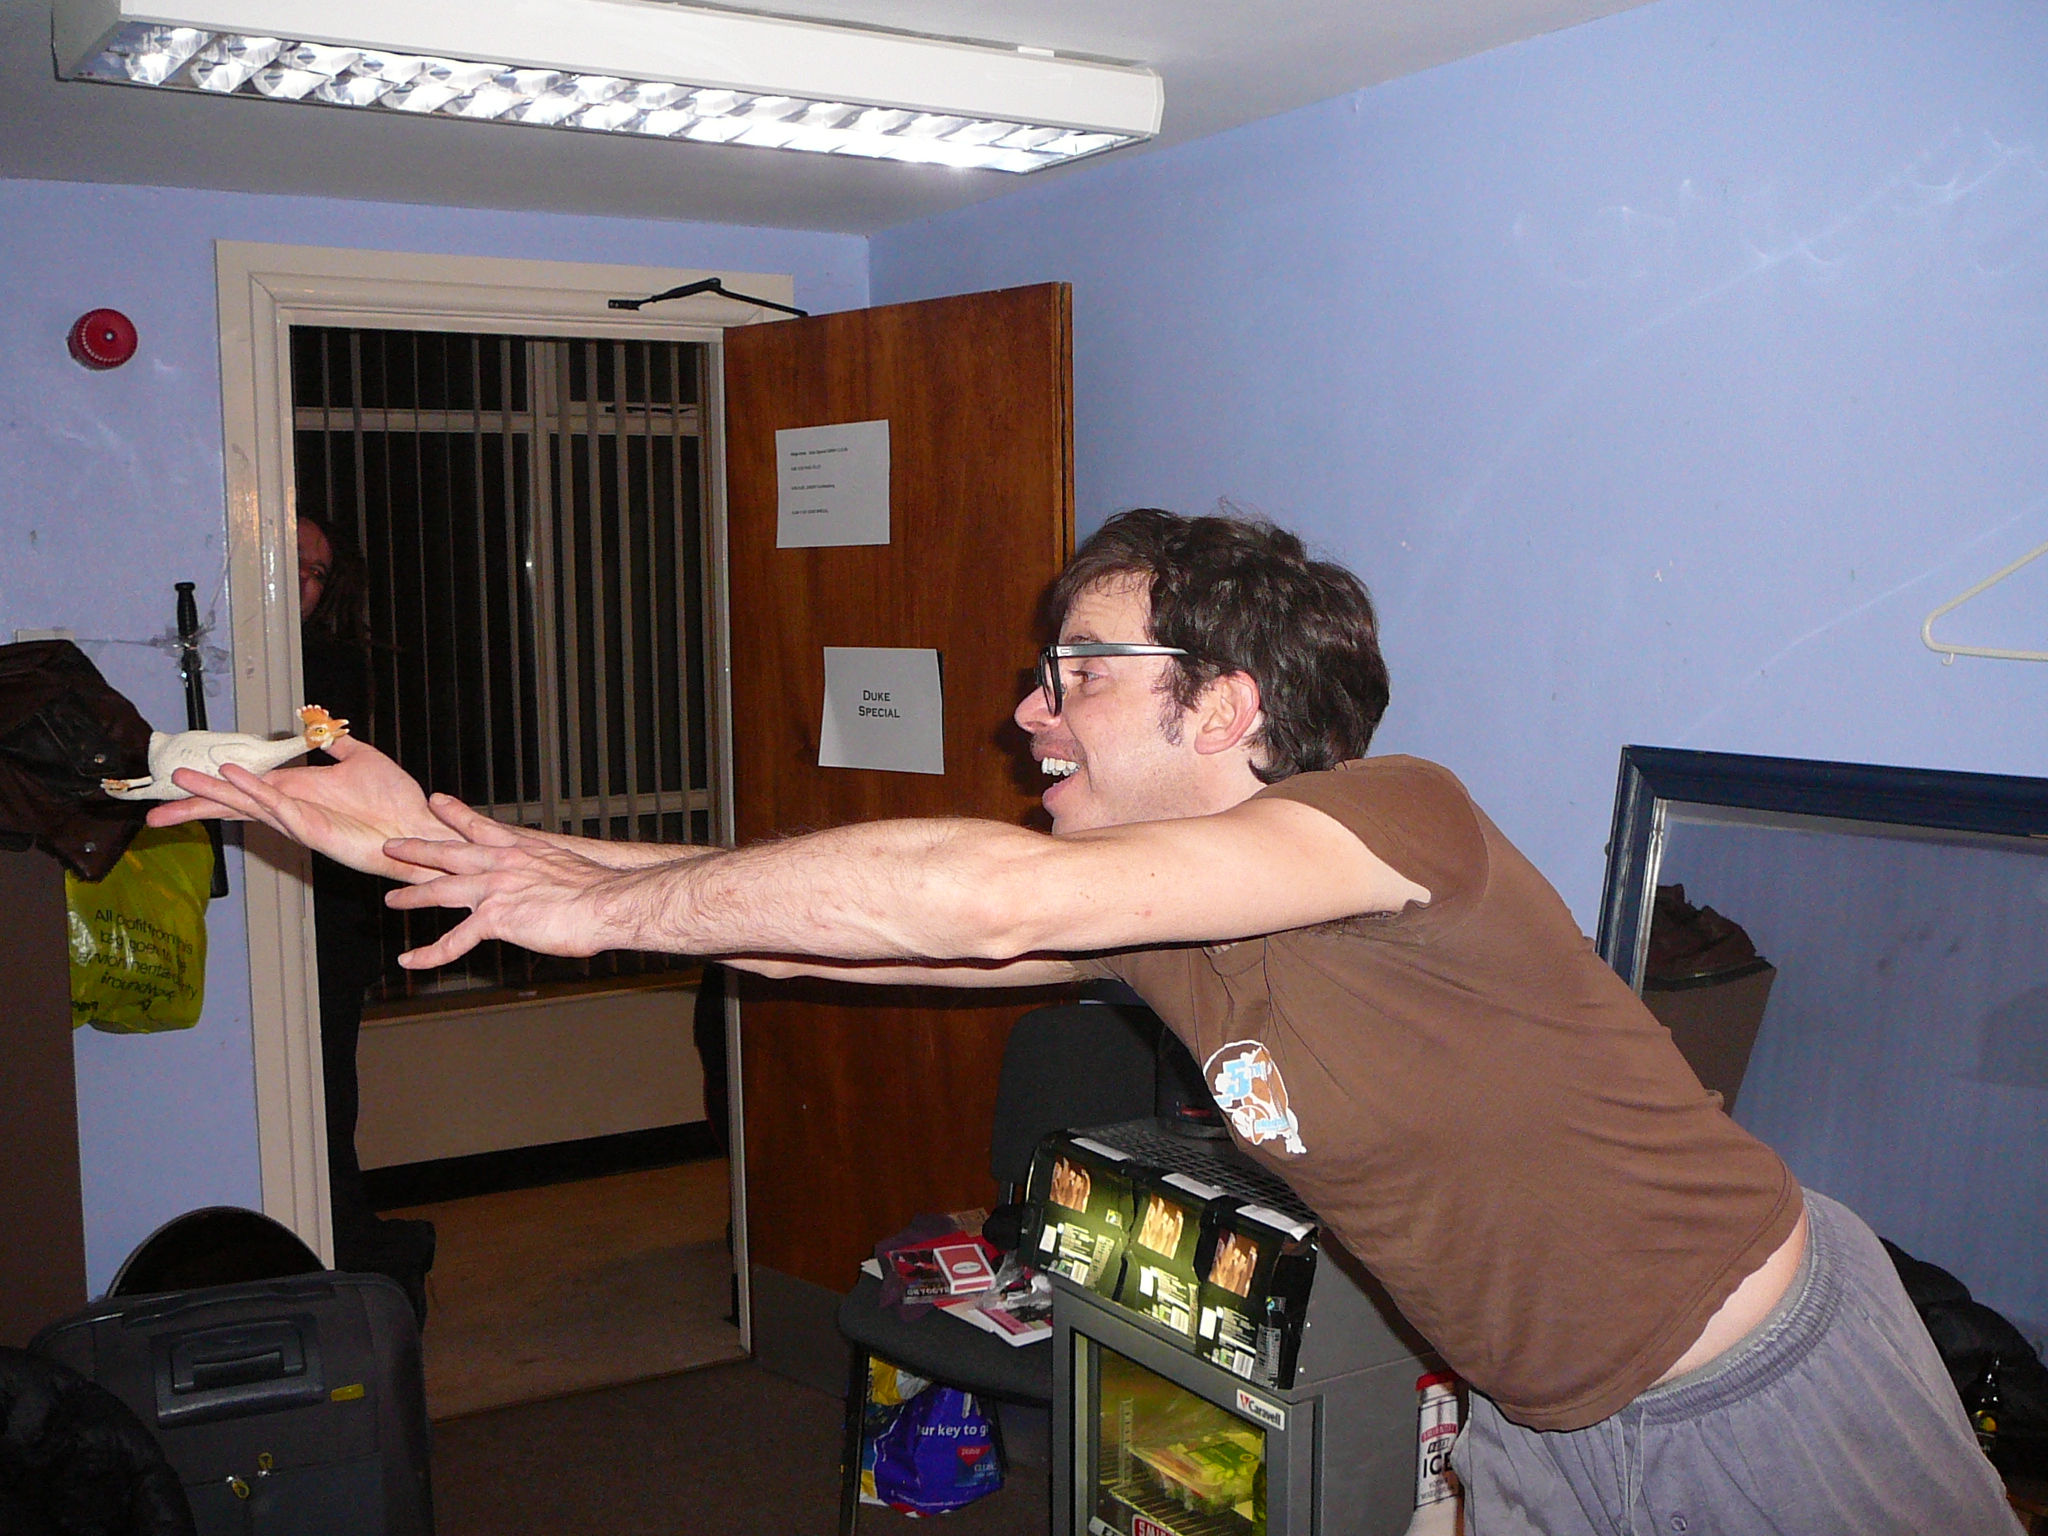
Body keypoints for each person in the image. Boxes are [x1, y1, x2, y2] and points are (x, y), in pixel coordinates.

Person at [155, 510, 2019, 1534]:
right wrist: (459, 849)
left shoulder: (1400, 817)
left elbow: (981, 903)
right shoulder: (1169, 920)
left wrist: (588, 910)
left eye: (1075, 672)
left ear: (1228, 704)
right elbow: (864, 935)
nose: (1026, 709)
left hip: (1760, 1383)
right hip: (1549, 1417)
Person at [296, 514, 436, 1322]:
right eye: (295, 563)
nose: (305, 582)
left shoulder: (330, 670)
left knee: (328, 1093)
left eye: (318, 573)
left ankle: (347, 1256)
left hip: (329, 919)